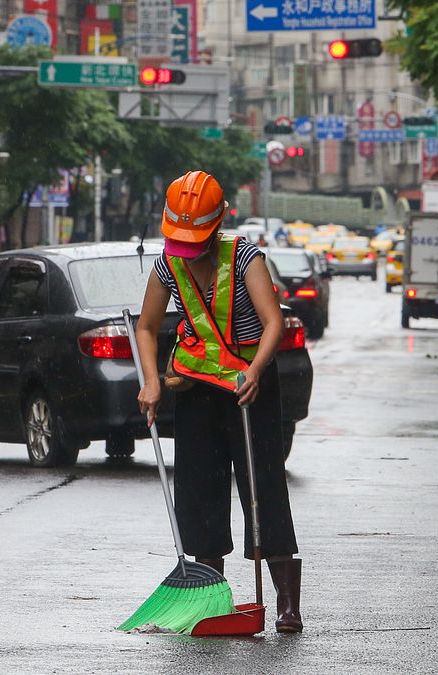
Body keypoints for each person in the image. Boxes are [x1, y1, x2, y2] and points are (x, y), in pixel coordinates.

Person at [134, 170, 304, 633]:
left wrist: (255, 371)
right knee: (199, 491)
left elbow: (274, 323)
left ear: (219, 222)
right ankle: (211, 599)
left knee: (263, 488)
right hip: (196, 390)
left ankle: (287, 603)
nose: (189, 248)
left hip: (250, 388)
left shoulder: (245, 257)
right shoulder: (169, 264)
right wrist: (151, 381)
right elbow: (146, 328)